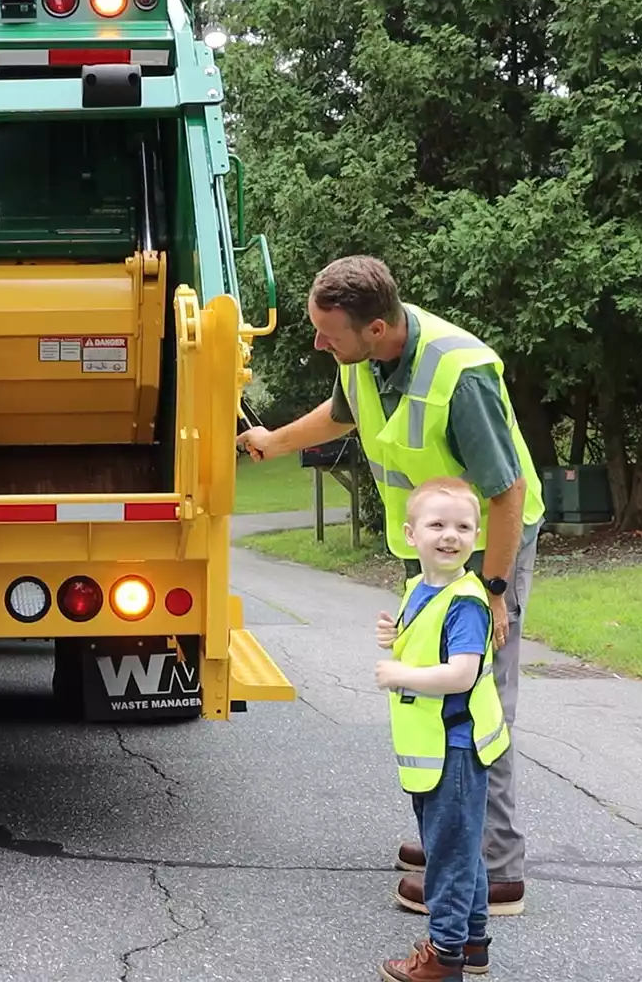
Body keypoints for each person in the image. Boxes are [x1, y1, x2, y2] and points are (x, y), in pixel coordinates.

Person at [238, 255, 542, 915]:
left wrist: (492, 590)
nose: (318, 342)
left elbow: (508, 492)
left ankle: (495, 871)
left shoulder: (459, 376)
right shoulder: (363, 360)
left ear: (375, 327)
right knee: (430, 701)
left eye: (328, 332)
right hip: (429, 553)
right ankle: (452, 839)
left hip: (486, 549)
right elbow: (341, 415)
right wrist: (275, 440)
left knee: (475, 702)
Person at [374, 476, 510, 980]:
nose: (450, 536)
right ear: (411, 535)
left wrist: (400, 673)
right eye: (438, 525)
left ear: (476, 536)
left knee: (448, 857)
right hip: (433, 746)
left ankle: (444, 956)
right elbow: (422, 638)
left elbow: (462, 672)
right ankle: (472, 944)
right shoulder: (422, 587)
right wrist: (395, 635)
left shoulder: (467, 601)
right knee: (459, 846)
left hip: (455, 745)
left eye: (464, 527)